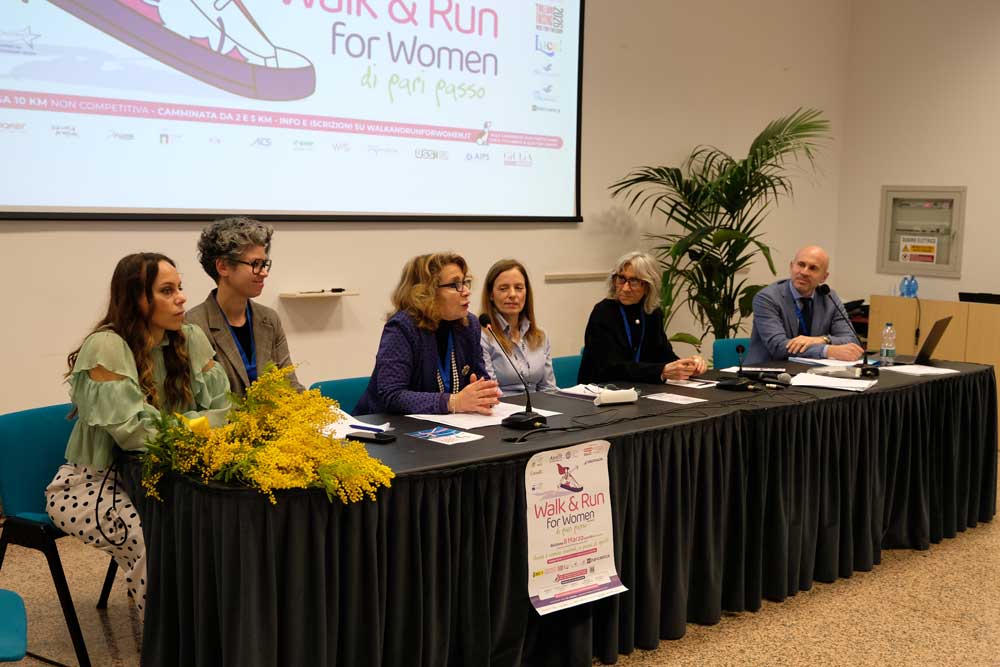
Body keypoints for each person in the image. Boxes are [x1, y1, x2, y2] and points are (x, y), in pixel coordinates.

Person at [46, 253, 230, 619]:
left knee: (226, 528)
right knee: (154, 542)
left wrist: (188, 426)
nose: (181, 298)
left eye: (179, 288)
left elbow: (226, 411)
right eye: (167, 290)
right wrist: (198, 424)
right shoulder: (107, 346)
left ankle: (212, 634)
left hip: (172, 477)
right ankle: (170, 643)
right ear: (137, 298)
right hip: (92, 485)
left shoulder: (189, 337)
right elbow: (136, 434)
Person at [355, 252, 501, 415]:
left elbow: (480, 379)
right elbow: (392, 395)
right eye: (455, 285)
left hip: (450, 424)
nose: (466, 291)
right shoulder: (402, 328)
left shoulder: (469, 325)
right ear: (426, 293)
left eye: (465, 282)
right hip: (387, 426)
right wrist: (453, 402)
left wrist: (484, 394)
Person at [186, 216, 304, 396]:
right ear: (223, 267)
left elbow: (290, 385)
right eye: (255, 264)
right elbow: (202, 400)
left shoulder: (269, 319)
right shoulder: (194, 326)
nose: (264, 273)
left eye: (264, 264)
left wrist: (317, 407)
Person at [578, 251, 707, 384]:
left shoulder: (652, 313)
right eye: (621, 279)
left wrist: (687, 367)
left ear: (648, 286)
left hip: (641, 389)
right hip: (600, 389)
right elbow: (611, 367)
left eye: (634, 281)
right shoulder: (603, 312)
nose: (625, 288)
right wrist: (661, 371)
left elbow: (663, 354)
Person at [745, 245, 864, 364]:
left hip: (810, 370)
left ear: (824, 277)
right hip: (767, 369)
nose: (804, 272)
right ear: (791, 266)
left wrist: (822, 339)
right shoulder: (767, 298)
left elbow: (852, 339)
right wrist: (827, 350)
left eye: (813, 268)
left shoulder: (829, 297)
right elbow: (778, 346)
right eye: (801, 264)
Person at [479, 259, 557, 395]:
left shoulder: (540, 336)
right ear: (491, 295)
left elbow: (548, 389)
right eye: (503, 289)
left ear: (526, 292)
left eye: (519, 288)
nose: (513, 295)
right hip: (502, 406)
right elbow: (491, 393)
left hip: (539, 406)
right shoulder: (483, 337)